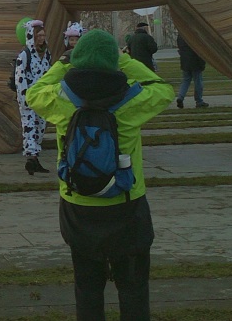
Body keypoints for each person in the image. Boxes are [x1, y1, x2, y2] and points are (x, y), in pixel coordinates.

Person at [26, 29, 173, 321]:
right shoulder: (133, 98)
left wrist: (63, 64)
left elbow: (32, 93)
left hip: (78, 205)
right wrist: (125, 61)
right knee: (133, 289)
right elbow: (163, 88)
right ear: (114, 61)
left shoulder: (62, 99)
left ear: (77, 60)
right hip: (126, 204)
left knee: (88, 289)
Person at [14, 19, 52, 174]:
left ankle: (35, 158)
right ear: (32, 36)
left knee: (40, 128)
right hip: (29, 99)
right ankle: (32, 159)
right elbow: (19, 77)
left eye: (43, 35)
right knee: (29, 128)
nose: (42, 38)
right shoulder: (24, 55)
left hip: (43, 99)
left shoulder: (46, 54)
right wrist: (24, 99)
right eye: (39, 35)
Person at [175, 34, 208, 108]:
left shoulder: (180, 35)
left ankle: (180, 97)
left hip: (185, 61)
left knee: (185, 81)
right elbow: (200, 49)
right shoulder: (194, 34)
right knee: (198, 81)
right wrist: (202, 63)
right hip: (195, 61)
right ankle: (199, 101)